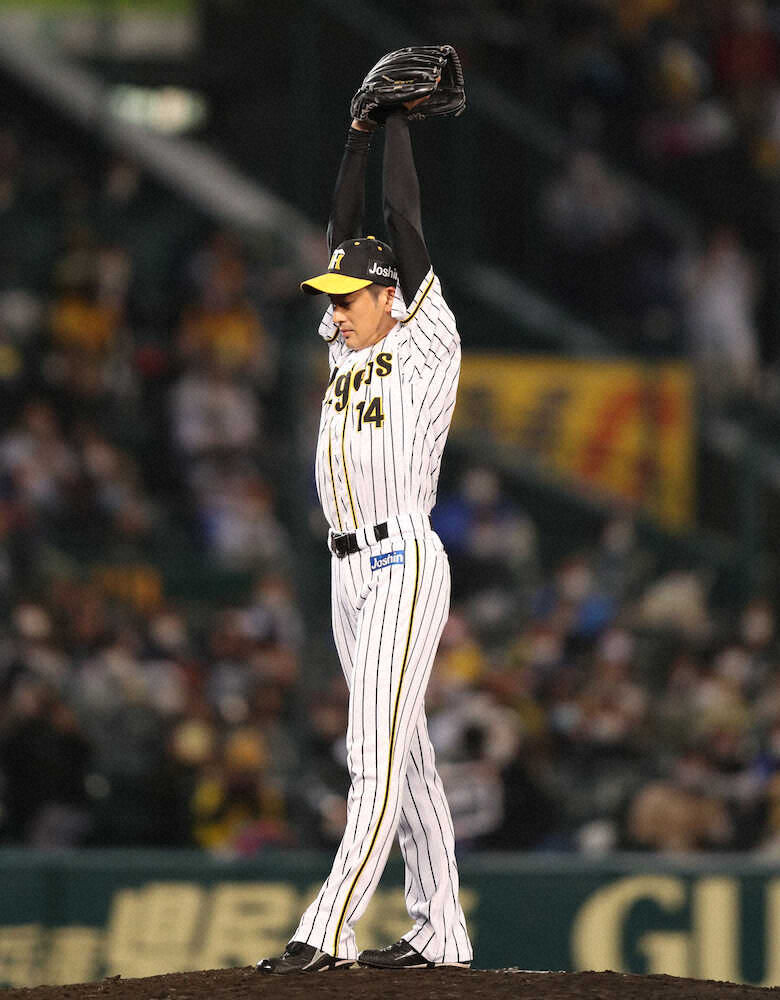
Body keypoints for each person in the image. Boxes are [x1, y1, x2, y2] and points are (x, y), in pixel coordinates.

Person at [257, 104, 473, 973]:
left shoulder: (426, 342)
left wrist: (399, 129)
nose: (336, 311)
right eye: (332, 300)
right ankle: (439, 931)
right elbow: (344, 231)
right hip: (347, 571)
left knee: (370, 753)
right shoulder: (348, 346)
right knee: (406, 755)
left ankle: (328, 927)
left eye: (350, 299)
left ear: (392, 297)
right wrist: (355, 131)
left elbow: (399, 222)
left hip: (401, 557)